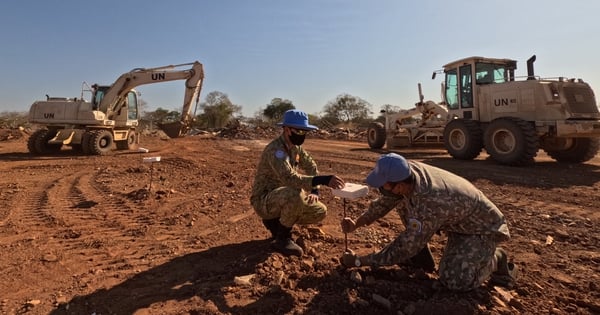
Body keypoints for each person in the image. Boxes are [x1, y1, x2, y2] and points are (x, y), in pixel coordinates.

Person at [340, 153, 518, 291]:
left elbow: (404, 246)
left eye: (383, 185)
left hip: (480, 228)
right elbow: (385, 202)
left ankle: (496, 258)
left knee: (455, 280)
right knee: (402, 202)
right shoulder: (406, 173)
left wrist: (360, 261)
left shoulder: (430, 201)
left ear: (399, 184)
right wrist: (357, 222)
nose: (380, 189)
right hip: (455, 218)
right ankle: (421, 259)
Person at [251, 109, 345, 256]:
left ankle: (275, 223)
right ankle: (282, 239)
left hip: (282, 197)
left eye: (305, 132)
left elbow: (311, 166)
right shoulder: (276, 150)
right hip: (264, 200)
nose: (303, 135)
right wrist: (324, 180)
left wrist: (315, 190)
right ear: (287, 130)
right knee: (295, 193)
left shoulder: (296, 148)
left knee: (319, 211)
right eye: (300, 132)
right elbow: (290, 178)